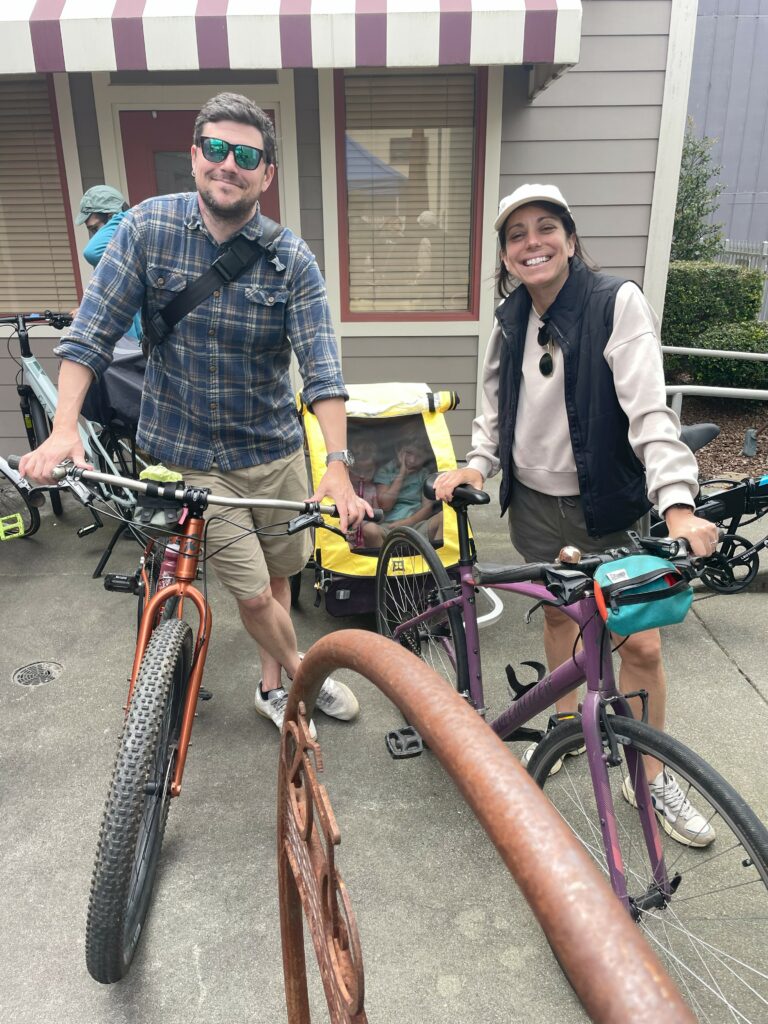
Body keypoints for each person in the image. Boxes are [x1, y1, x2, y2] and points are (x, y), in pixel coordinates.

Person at [20, 92, 371, 737]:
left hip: (272, 451)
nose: (227, 164)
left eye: (245, 154)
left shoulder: (291, 260)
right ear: (195, 157)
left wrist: (339, 465)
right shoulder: (147, 230)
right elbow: (89, 335)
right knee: (252, 590)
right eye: (215, 148)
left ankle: (273, 685)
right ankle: (302, 671)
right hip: (186, 458)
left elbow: (321, 370)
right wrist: (64, 426)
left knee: (282, 574)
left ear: (265, 173)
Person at [434, 183, 720, 845]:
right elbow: (494, 411)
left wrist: (676, 505)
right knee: (562, 615)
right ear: (505, 254)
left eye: (545, 228)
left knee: (639, 641)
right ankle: (568, 730)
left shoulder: (614, 303)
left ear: (568, 237)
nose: (532, 242)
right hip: (534, 504)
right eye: (516, 234)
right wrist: (477, 463)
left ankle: (647, 775)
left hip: (609, 506)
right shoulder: (509, 320)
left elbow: (651, 413)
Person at [75, 185, 143, 341]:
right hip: (123, 337)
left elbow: (92, 251)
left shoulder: (132, 239)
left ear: (111, 216)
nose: (96, 236)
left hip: (135, 342)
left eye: (96, 228)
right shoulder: (116, 250)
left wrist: (122, 216)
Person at [361, 432, 442, 547]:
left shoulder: (424, 474)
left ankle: (435, 561)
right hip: (389, 527)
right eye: (408, 453)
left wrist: (407, 522)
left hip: (417, 526)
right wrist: (401, 475)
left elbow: (428, 507)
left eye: (419, 456)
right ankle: (385, 562)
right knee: (369, 530)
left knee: (444, 517)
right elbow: (385, 505)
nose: (412, 460)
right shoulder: (386, 471)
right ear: (398, 450)